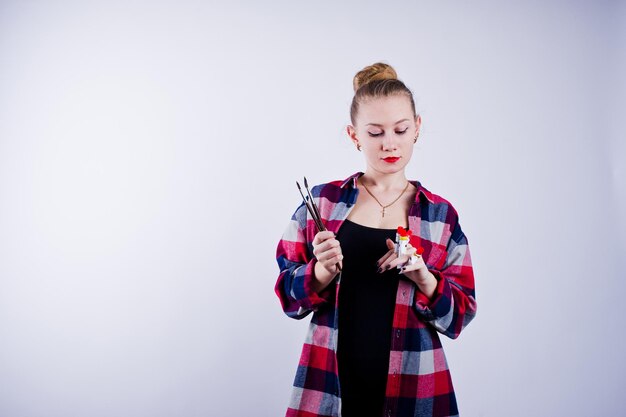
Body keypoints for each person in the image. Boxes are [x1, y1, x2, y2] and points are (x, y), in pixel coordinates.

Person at [274, 62, 477, 417]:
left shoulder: (440, 216)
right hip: (329, 384)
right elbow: (288, 298)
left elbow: (460, 315)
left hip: (415, 385)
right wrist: (320, 271)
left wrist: (422, 275)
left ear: (416, 128)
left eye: (400, 130)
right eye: (375, 133)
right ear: (354, 136)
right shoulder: (321, 203)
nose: (389, 144)